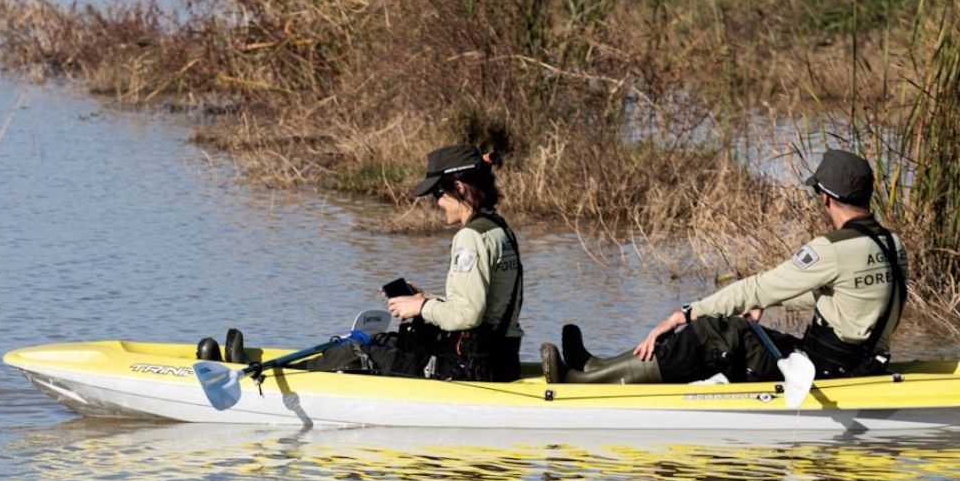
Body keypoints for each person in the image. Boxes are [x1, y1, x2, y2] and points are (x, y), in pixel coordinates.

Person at [543, 149, 906, 385]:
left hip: (822, 371)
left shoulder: (831, 249)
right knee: (733, 332)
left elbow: (754, 287)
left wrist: (682, 314)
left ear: (825, 197)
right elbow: (850, 299)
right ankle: (595, 365)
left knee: (713, 334)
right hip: (860, 365)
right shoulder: (892, 243)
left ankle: (581, 383)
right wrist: (777, 302)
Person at [306, 143, 525, 381]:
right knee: (386, 342)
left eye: (437, 194)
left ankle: (295, 377)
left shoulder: (469, 237)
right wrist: (426, 298)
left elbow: (468, 315)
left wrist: (420, 308)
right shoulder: (500, 229)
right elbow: (484, 308)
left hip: (470, 366)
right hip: (503, 359)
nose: (438, 204)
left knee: (357, 353)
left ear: (460, 188)